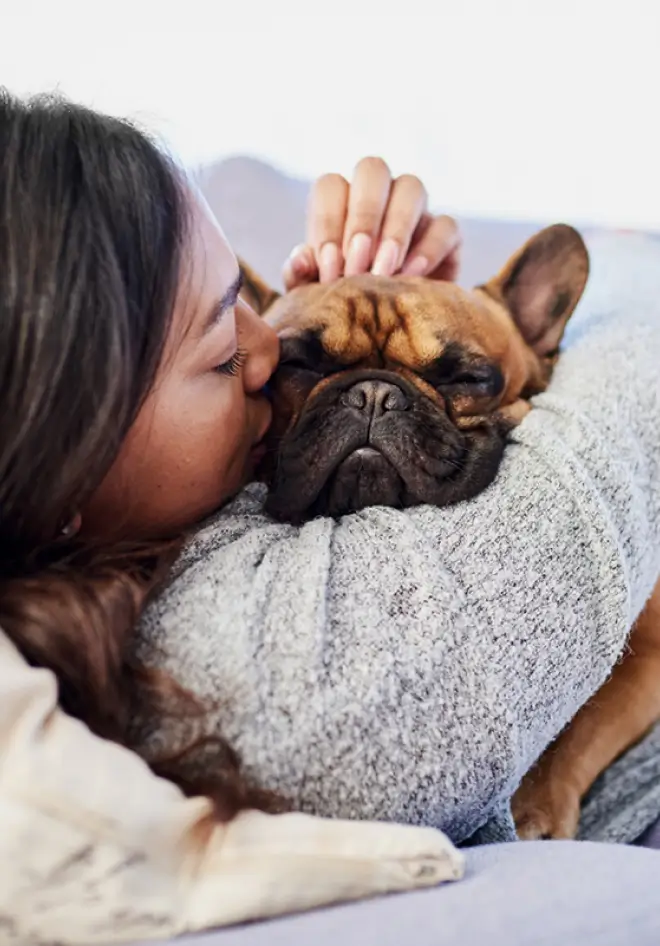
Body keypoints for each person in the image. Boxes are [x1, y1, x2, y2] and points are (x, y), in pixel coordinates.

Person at [1, 90, 659, 944]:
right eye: (229, 350)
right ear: (70, 448)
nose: (267, 347)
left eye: (453, 380)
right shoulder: (301, 668)